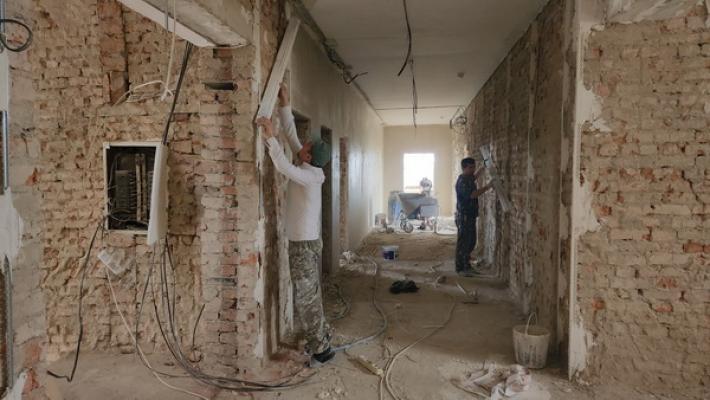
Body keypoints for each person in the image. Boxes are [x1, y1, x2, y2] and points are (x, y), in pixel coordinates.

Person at [256, 84, 334, 364]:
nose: (303, 145)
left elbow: (283, 167)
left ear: (309, 157)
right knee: (309, 293)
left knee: (305, 297)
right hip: (305, 241)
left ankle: (322, 348)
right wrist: (285, 103)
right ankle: (320, 335)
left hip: (303, 244)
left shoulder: (310, 177)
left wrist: (269, 137)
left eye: (307, 147)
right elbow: (291, 134)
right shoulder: (309, 165)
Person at [455, 157, 493, 277]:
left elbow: (474, 177)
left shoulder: (468, 178)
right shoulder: (462, 181)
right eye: (470, 167)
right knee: (465, 243)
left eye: (474, 167)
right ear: (464, 168)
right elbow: (472, 194)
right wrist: (488, 186)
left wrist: (483, 167)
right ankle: (462, 268)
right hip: (464, 216)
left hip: (470, 215)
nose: (473, 169)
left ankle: (466, 265)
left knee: (471, 241)